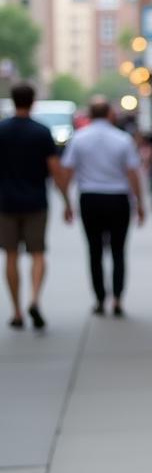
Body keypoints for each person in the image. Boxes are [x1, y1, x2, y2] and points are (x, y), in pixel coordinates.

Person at [61, 96, 145, 317]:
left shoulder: (79, 139)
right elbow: (132, 174)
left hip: (90, 198)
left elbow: (66, 173)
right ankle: (117, 298)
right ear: (110, 114)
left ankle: (99, 299)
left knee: (94, 251)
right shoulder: (123, 139)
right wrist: (139, 203)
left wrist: (66, 202)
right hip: (117, 199)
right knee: (118, 250)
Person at [0, 83, 74, 329]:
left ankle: (17, 311)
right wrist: (66, 201)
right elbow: (56, 171)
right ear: (33, 102)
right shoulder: (41, 132)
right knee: (38, 254)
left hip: (5, 203)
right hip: (35, 202)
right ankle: (34, 299)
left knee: (11, 255)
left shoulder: (2, 130)